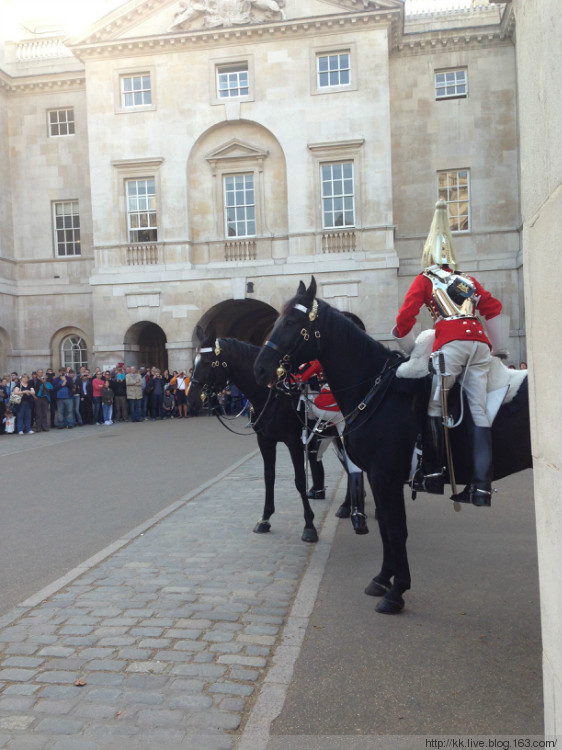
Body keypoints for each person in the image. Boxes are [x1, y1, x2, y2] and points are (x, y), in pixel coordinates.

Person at [392, 200, 505, 508]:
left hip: (450, 345)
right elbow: (492, 307)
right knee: (478, 410)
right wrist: (495, 347)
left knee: (433, 404)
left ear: (427, 254)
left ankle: (432, 473)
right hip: (479, 344)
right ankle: (481, 488)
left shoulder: (425, 278)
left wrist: (408, 346)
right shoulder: (467, 280)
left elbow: (405, 318)